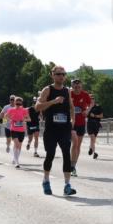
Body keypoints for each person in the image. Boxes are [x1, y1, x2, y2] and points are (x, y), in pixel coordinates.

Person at [35, 66, 76, 196]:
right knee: (50, 154)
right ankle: (46, 180)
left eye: (63, 74)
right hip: (51, 129)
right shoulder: (48, 90)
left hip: (64, 128)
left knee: (66, 155)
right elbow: (37, 107)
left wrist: (73, 120)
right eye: (58, 74)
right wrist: (53, 101)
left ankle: (67, 185)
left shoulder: (67, 91)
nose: (61, 76)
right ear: (52, 75)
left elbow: (71, 107)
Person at [69, 78, 92, 176]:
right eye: (75, 87)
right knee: (75, 143)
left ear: (81, 86)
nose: (77, 89)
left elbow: (91, 103)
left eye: (79, 87)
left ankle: (73, 165)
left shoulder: (85, 94)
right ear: (72, 86)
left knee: (78, 146)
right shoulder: (69, 94)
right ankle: (71, 165)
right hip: (71, 123)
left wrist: (87, 111)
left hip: (81, 123)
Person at [6, 96, 29, 168]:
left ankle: (15, 158)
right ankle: (17, 162)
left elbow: (29, 118)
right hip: (13, 129)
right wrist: (11, 119)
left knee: (19, 146)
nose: (18, 105)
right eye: (17, 104)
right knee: (16, 143)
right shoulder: (11, 110)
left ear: (21, 103)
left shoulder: (24, 110)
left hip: (22, 130)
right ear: (14, 103)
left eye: (19, 104)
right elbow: (6, 116)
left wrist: (23, 120)